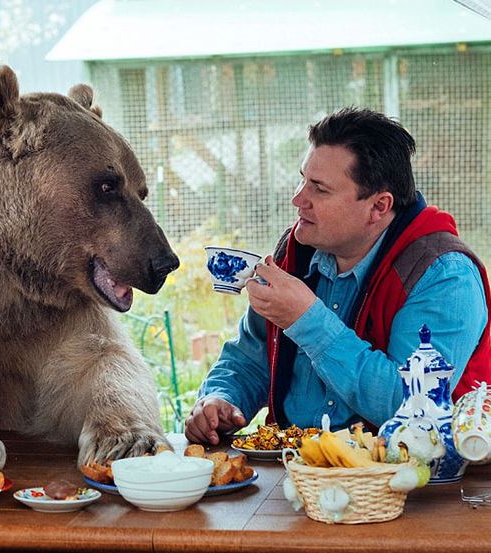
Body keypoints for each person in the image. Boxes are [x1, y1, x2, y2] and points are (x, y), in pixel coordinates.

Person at [186, 107, 491, 445]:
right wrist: (220, 400)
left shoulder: (444, 275)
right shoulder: (296, 250)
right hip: (296, 469)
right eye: (303, 178)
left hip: (407, 482)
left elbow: (413, 407)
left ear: (378, 206)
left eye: (319, 188)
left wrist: (306, 319)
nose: (298, 198)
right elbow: (251, 358)